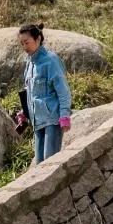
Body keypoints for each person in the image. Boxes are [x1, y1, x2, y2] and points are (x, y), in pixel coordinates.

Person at [17, 24, 72, 164]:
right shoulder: (29, 64)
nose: (24, 47)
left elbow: (63, 90)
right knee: (39, 165)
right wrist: (25, 111)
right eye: (22, 43)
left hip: (52, 120)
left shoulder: (51, 60)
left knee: (50, 164)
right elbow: (31, 92)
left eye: (27, 42)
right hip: (37, 122)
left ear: (38, 38)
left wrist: (64, 114)